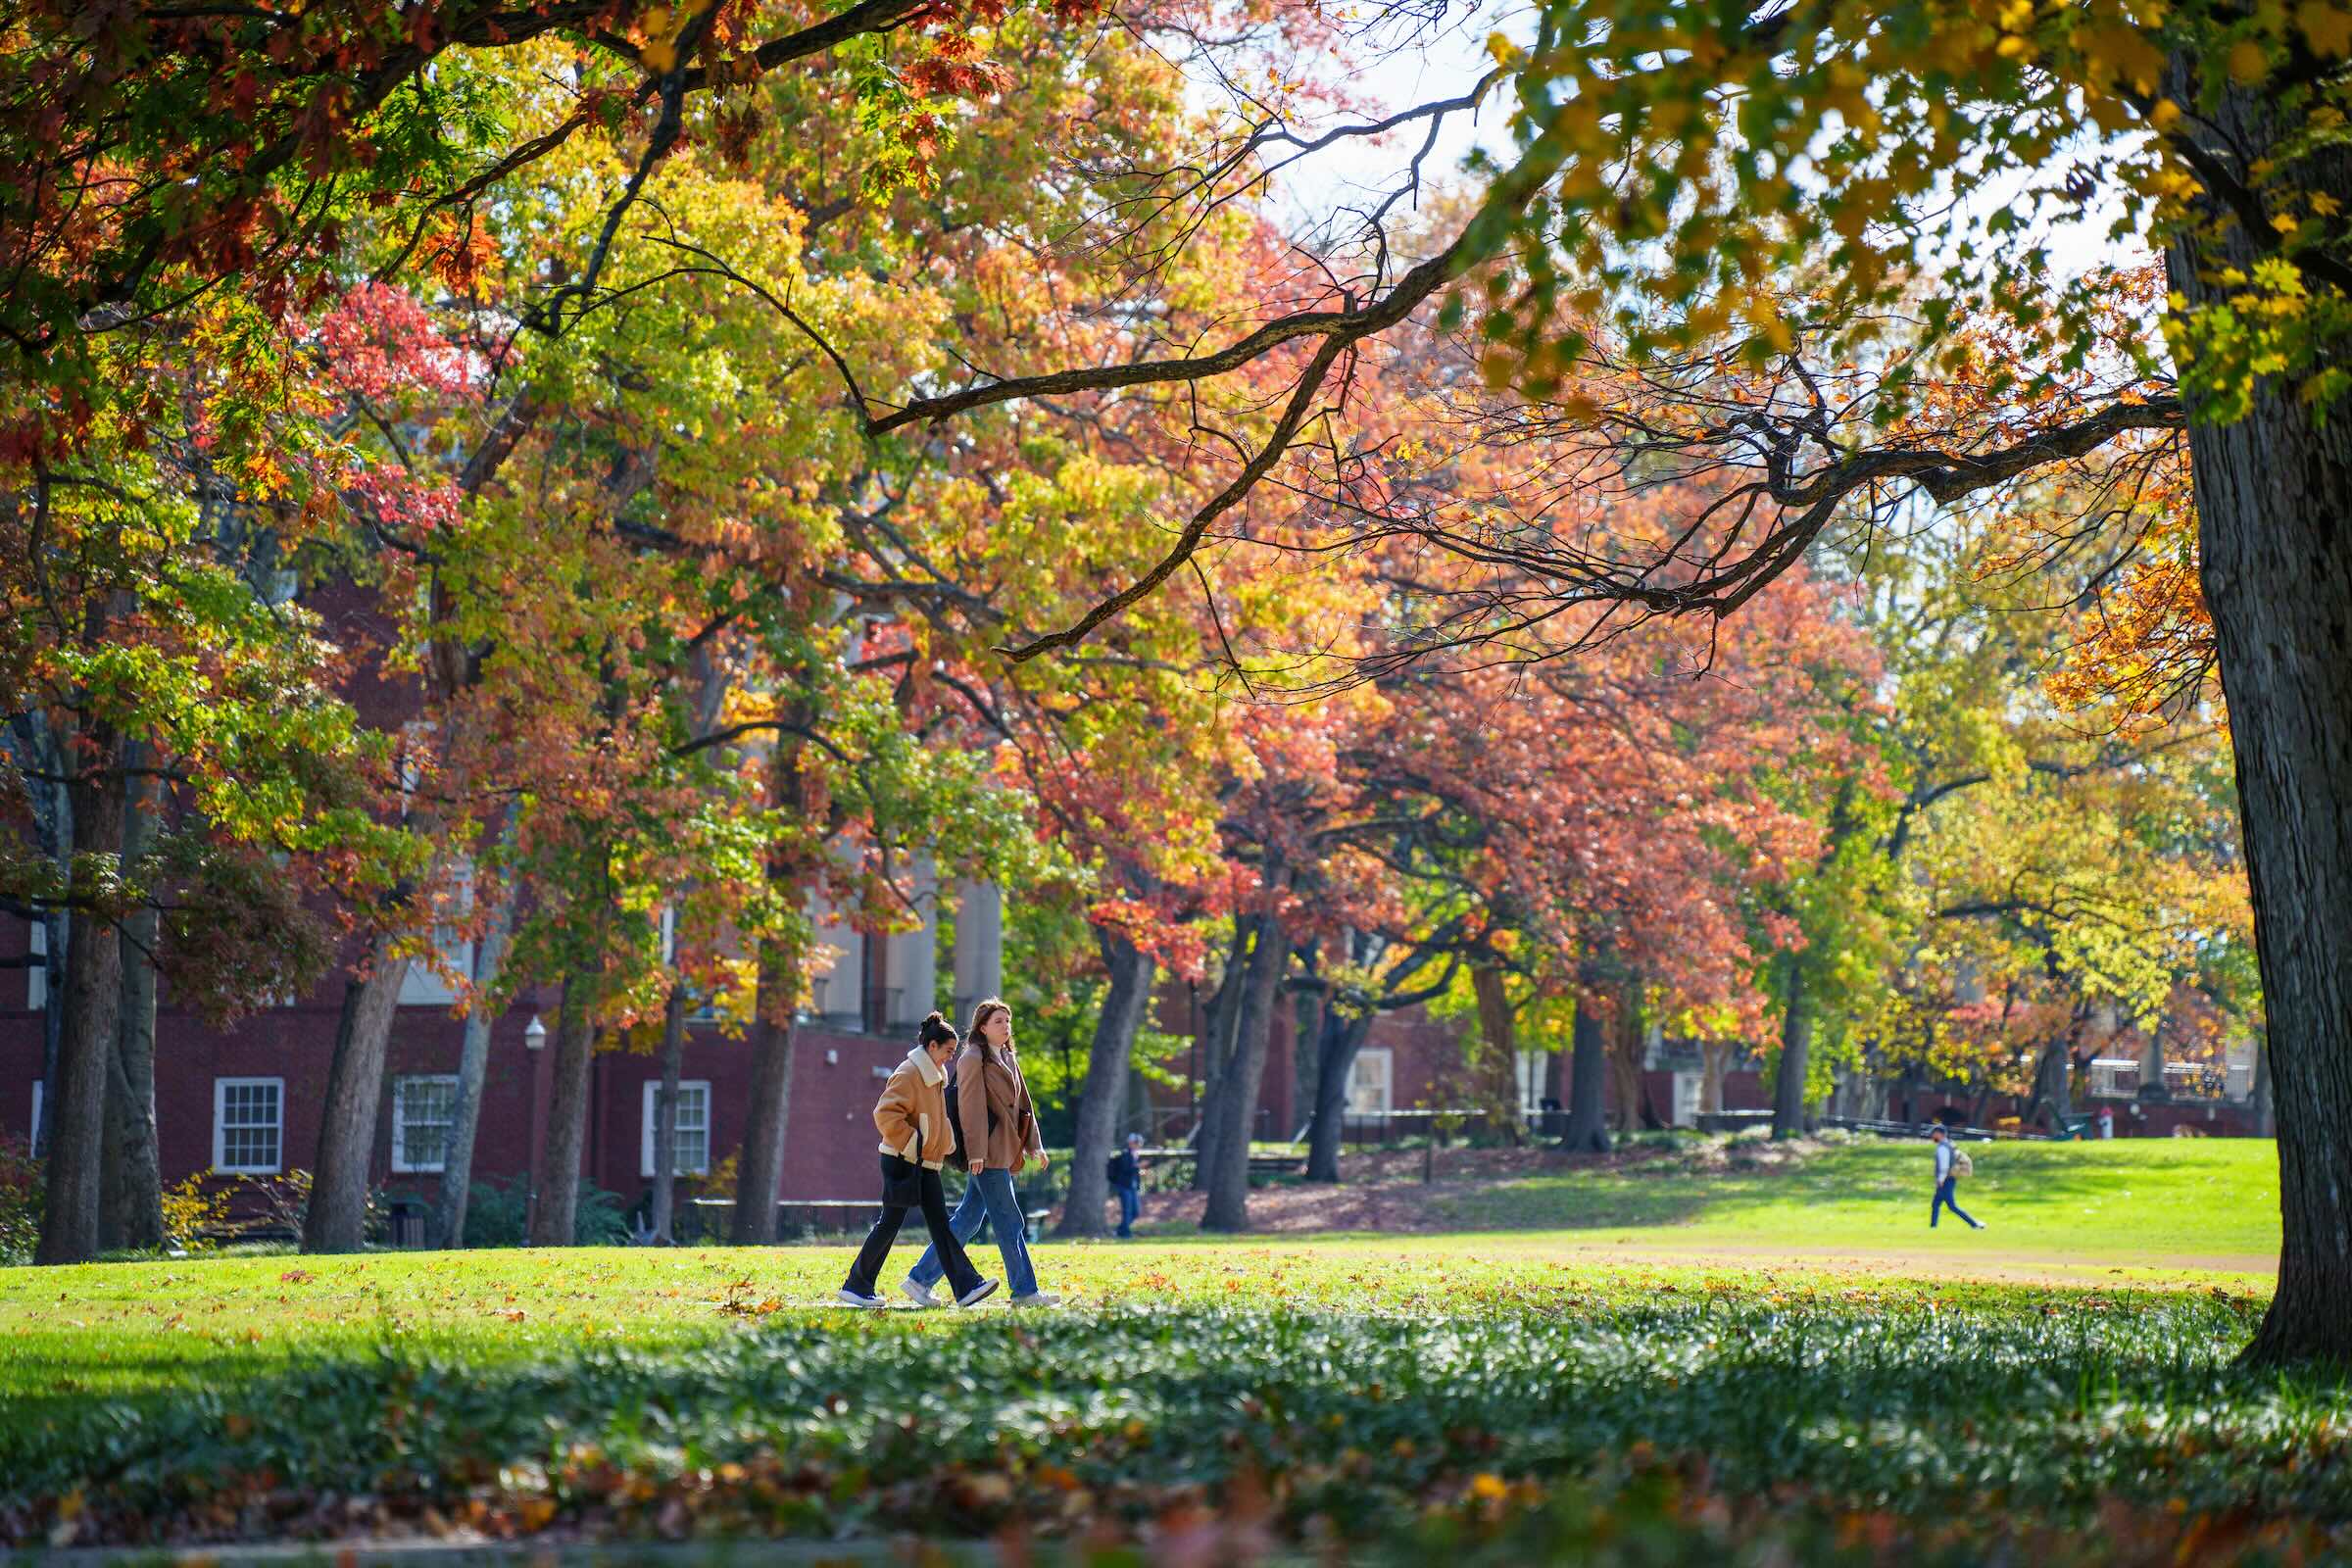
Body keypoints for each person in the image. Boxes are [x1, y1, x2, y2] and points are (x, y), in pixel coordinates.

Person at [902, 999, 1060, 1308]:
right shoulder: (973, 1058)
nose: (1006, 1026)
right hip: (987, 1154)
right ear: (982, 1027)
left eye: (1008, 1020)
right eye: (998, 1021)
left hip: (1003, 1151)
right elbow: (969, 1109)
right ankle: (1025, 1291)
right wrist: (975, 1152)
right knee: (1008, 1220)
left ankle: (919, 1279)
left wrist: (1035, 1145)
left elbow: (1024, 1105)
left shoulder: (1008, 1057)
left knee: (967, 1220)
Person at [838, 1013, 999, 1309]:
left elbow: (935, 1117)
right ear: (933, 1046)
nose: (951, 1058)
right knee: (891, 1223)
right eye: (949, 1051)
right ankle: (857, 1285)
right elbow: (885, 1115)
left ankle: (965, 1286)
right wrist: (916, 1145)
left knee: (939, 1224)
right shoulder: (909, 1072)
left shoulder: (934, 1074)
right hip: (902, 1161)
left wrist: (944, 1141)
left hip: (924, 1164)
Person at [1929, 1126, 1984, 1231]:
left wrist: (1940, 1180)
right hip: (1947, 1179)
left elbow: (1944, 1166)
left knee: (1952, 1206)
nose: (1932, 1136)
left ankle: (1975, 1224)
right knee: (1935, 1204)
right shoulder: (1948, 1145)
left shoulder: (1943, 1148)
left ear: (1939, 1134)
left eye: (1934, 1133)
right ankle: (1933, 1227)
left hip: (1946, 1180)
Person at [1108, 1131, 1145, 1239]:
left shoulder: (1135, 1155)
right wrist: (1138, 1166)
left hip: (1132, 1187)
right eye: (1137, 1142)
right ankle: (1125, 1233)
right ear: (1131, 1143)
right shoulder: (1125, 1154)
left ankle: (1120, 1230)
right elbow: (1125, 1170)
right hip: (1124, 1186)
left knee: (1136, 1212)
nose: (1139, 1145)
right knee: (1127, 1211)